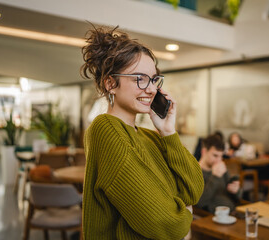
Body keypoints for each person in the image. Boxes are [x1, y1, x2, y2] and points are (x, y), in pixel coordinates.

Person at [81, 26, 204, 239]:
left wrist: (168, 132)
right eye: (140, 78)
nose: (151, 89)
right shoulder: (105, 129)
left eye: (154, 79)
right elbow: (165, 223)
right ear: (110, 83)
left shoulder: (149, 136)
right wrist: (184, 215)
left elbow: (193, 189)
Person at [195, 134, 241, 214]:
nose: (218, 160)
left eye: (221, 156)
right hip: (211, 218)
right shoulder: (194, 172)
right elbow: (199, 203)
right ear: (204, 151)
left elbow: (237, 198)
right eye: (215, 155)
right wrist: (215, 177)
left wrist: (236, 191)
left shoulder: (221, 168)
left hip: (233, 212)